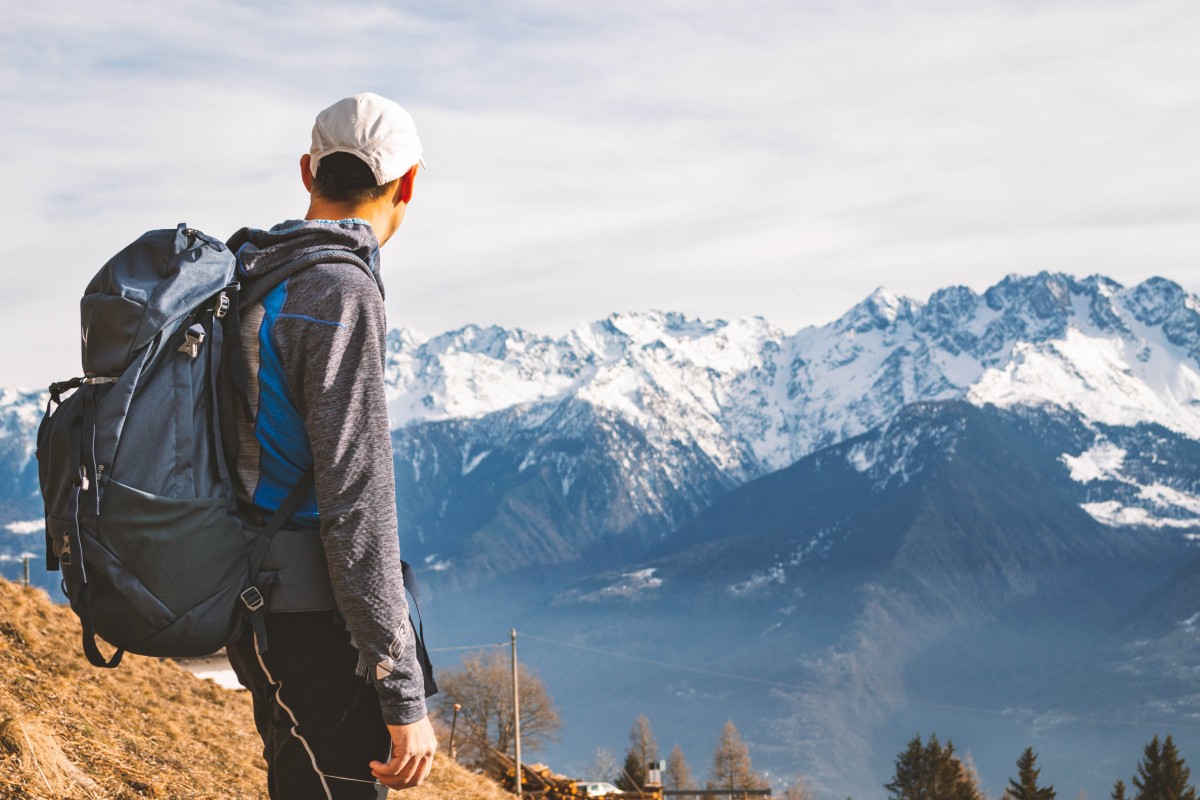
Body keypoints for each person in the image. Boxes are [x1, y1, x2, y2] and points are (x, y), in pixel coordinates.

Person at [223, 93, 437, 800]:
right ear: (407, 184)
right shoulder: (340, 290)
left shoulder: (254, 274)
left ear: (308, 170)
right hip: (315, 621)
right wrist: (400, 690)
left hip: (258, 597)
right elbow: (358, 502)